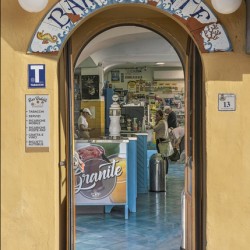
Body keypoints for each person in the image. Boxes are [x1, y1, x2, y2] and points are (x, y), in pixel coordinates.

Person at [152, 110, 170, 174]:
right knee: (165, 156)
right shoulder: (164, 121)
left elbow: (154, 129)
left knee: (163, 157)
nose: (156, 117)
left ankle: (164, 172)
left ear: (161, 116)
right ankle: (165, 172)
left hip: (161, 142)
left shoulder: (161, 122)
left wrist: (156, 122)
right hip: (164, 141)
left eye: (157, 116)